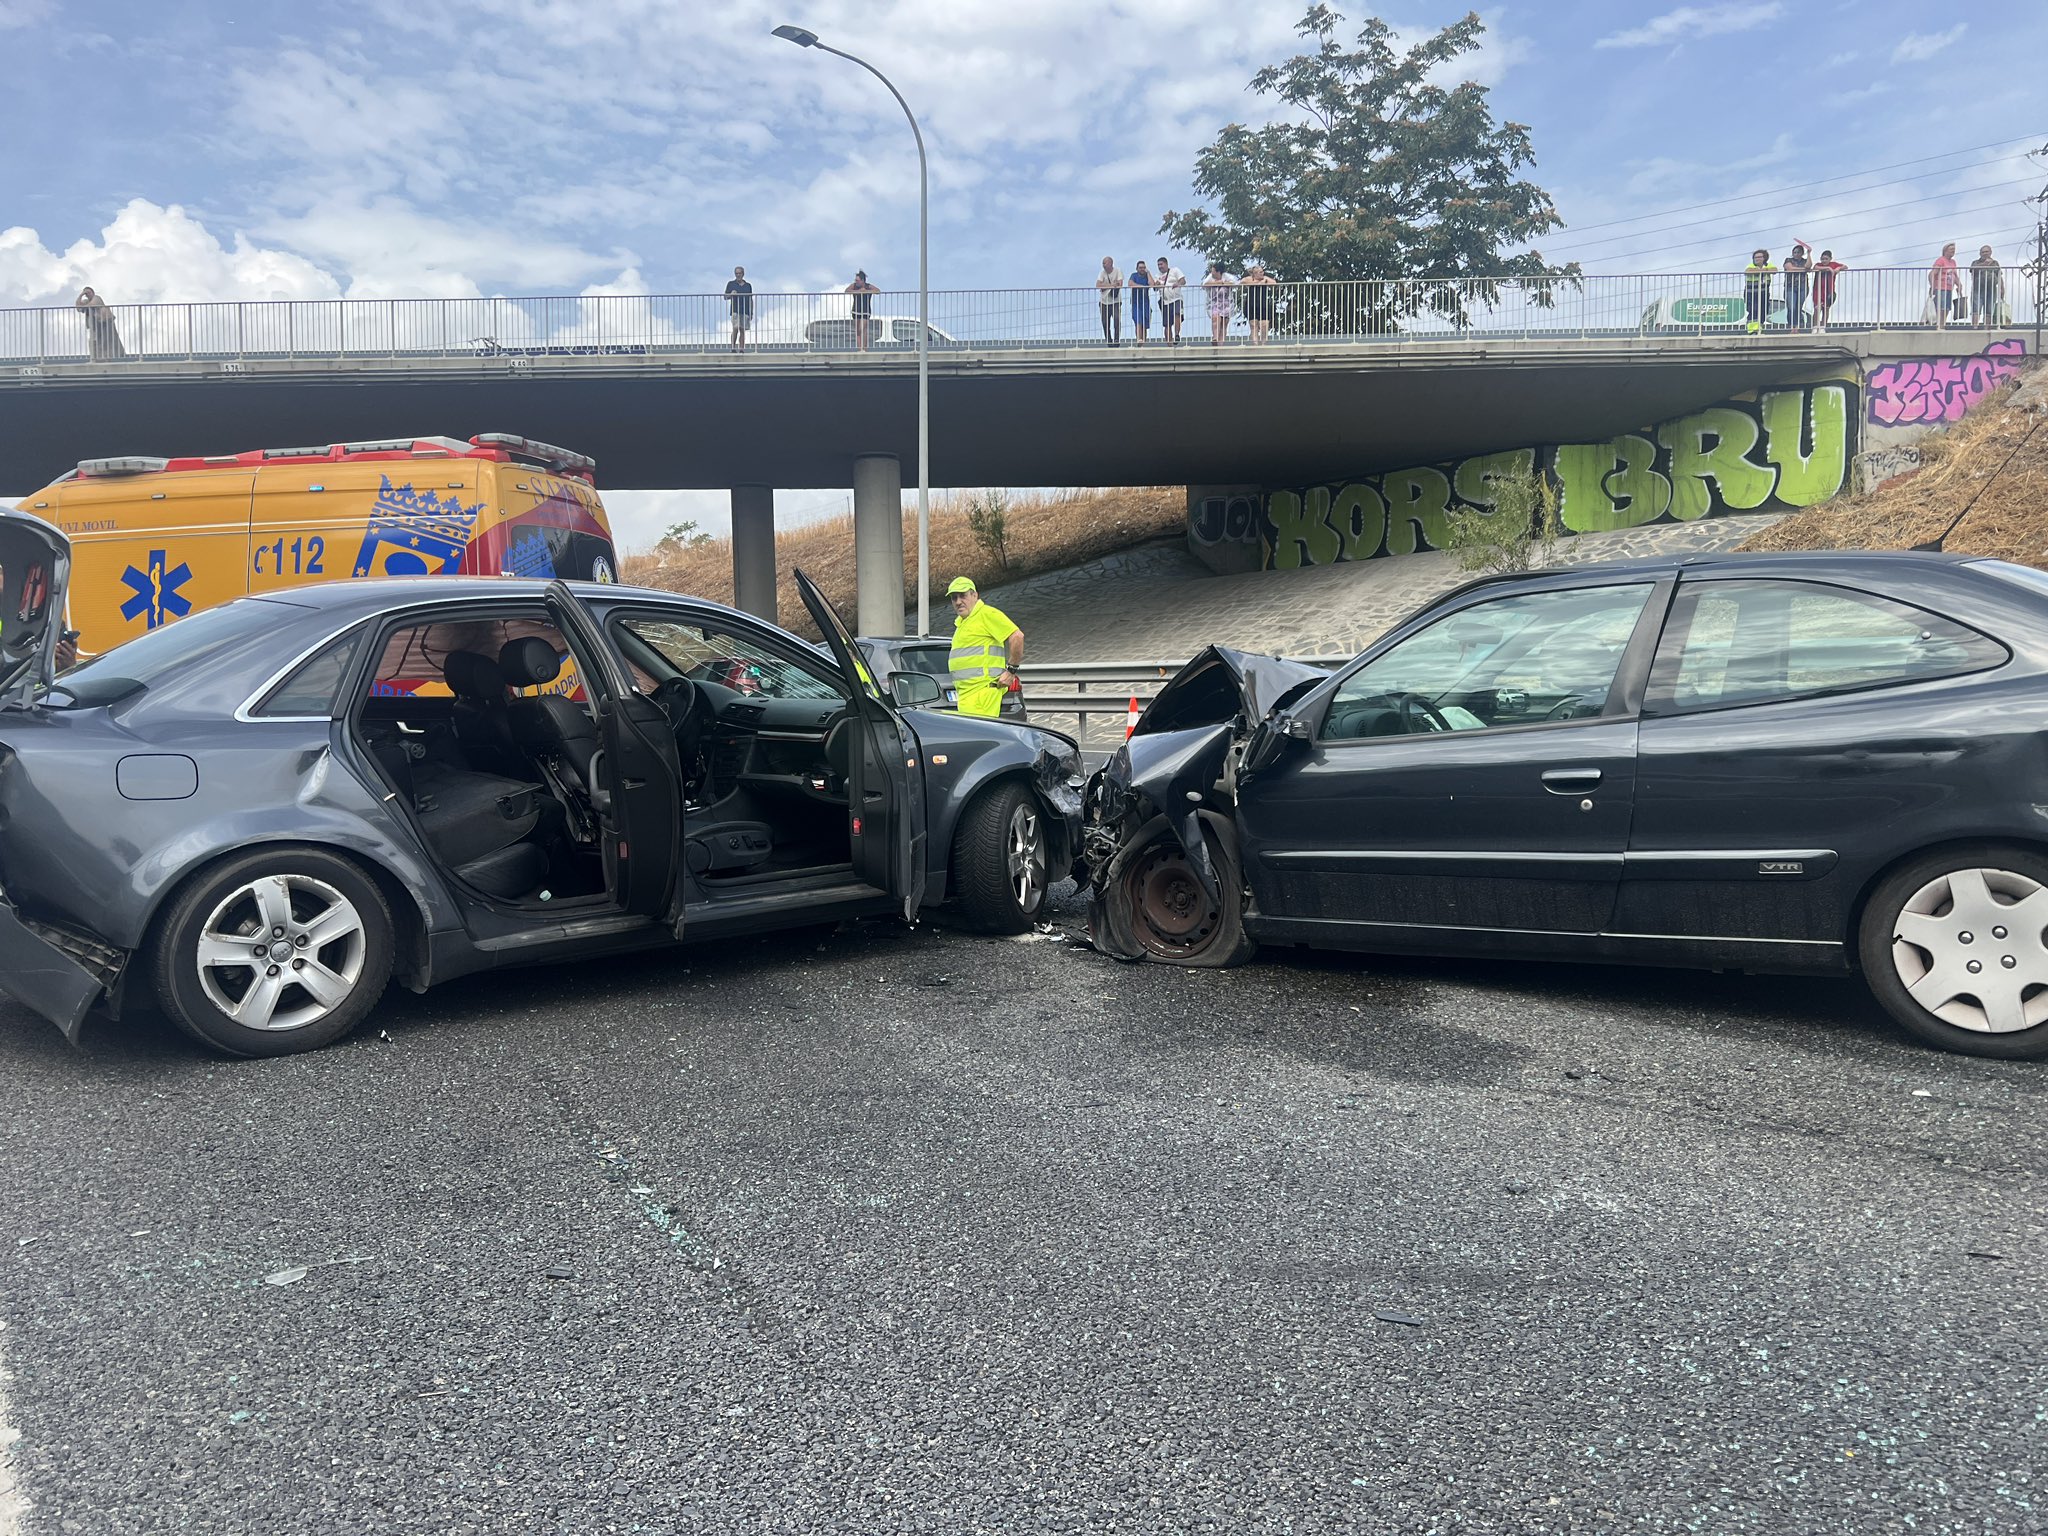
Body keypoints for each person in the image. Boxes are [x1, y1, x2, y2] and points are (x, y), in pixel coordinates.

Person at [945, 576, 1024, 719]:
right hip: (967, 697)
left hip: (982, 696)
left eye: (962, 596)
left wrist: (1011, 671)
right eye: (953, 598)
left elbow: (1017, 636)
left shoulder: (985, 614)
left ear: (975, 595)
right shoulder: (963, 623)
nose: (958, 602)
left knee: (982, 739)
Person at [74, 286, 125, 362]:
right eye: (86, 293)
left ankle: (112, 356)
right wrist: (81, 295)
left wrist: (84, 306)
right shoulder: (87, 301)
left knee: (108, 340)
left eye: (89, 292)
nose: (87, 294)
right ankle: (96, 358)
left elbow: (92, 305)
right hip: (96, 326)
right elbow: (78, 307)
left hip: (105, 322)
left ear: (93, 292)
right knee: (95, 341)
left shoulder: (97, 298)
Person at [1238, 259, 1277, 345]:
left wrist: (1264, 282)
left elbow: (1274, 283)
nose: (1262, 273)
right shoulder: (1249, 278)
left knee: (1264, 324)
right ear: (1254, 274)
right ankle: (1255, 343)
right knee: (1253, 324)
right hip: (1252, 304)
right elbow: (1242, 281)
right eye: (1259, 272)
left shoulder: (1265, 278)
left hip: (1263, 304)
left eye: (1262, 272)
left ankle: (1264, 342)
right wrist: (1257, 282)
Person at [1969, 246, 2004, 329]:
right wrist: (1983, 264)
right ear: (1980, 253)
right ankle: (1975, 327)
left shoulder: (1995, 263)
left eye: (1987, 252)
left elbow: (1999, 275)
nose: (1985, 253)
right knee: (1976, 307)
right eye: (1983, 252)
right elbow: (1972, 270)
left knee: (1989, 308)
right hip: (1978, 288)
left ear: (1990, 252)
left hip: (1991, 289)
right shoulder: (1976, 262)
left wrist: (2002, 287)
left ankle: (1987, 327)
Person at [1928, 243, 1961, 330]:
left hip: (1949, 287)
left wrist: (1959, 285)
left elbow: (1955, 274)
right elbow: (1932, 273)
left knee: (1947, 307)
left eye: (1954, 250)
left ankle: (1943, 323)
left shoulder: (1953, 262)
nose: (1953, 252)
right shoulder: (1941, 260)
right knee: (1941, 306)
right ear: (1945, 251)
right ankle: (1939, 324)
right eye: (1951, 250)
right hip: (1940, 287)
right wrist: (1932, 286)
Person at [1811, 250, 1846, 331]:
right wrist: (1828, 268)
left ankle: (1823, 327)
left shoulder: (1834, 264)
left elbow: (1845, 266)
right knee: (1817, 308)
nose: (1824, 261)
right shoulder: (1819, 265)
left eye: (1826, 259)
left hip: (1829, 291)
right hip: (1818, 290)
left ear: (1830, 259)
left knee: (1826, 309)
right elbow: (1815, 268)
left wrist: (1838, 268)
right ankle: (1815, 327)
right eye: (1822, 259)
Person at [1203, 261, 1236, 346]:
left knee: (1224, 323)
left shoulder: (1227, 276)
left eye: (1213, 271)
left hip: (1227, 303)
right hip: (1215, 303)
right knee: (1215, 318)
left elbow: (1234, 283)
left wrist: (1222, 283)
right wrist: (1216, 283)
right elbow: (1204, 284)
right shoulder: (1210, 277)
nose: (1212, 272)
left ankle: (1221, 343)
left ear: (1218, 272)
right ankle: (1215, 337)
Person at [1156, 255, 1186, 343]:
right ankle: (1169, 343)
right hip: (1164, 301)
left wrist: (1178, 283)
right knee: (1167, 323)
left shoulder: (1175, 270)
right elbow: (1154, 286)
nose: (1160, 266)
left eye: (1161, 264)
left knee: (1177, 314)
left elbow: (1183, 280)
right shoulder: (1157, 275)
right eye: (1158, 265)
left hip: (1176, 298)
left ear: (1166, 264)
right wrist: (1156, 284)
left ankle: (1176, 334)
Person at [1780, 243, 1811, 330]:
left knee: (1798, 306)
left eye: (1798, 252)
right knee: (1791, 306)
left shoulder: (1804, 261)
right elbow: (1790, 268)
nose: (1796, 254)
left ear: (1802, 253)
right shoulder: (1788, 260)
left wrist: (1809, 253)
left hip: (1802, 286)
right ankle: (1791, 324)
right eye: (1795, 252)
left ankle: (1798, 325)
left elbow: (1808, 266)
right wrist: (1804, 269)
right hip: (1790, 286)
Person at [1742, 250, 1774, 334]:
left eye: (1759, 257)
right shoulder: (1751, 265)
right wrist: (1762, 270)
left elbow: (1774, 270)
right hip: (1751, 293)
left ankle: (1759, 328)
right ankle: (1752, 330)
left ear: (1764, 258)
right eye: (1755, 257)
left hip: (1764, 293)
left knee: (1763, 310)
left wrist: (1763, 270)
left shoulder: (1767, 265)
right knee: (1753, 310)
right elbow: (1748, 271)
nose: (1757, 259)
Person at [723, 265, 754, 352]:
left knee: (742, 329)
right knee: (735, 328)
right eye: (736, 273)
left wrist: (751, 312)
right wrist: (731, 294)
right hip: (735, 310)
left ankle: (741, 348)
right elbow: (725, 297)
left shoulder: (748, 285)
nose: (738, 275)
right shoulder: (731, 284)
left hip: (745, 310)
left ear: (743, 274)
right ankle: (733, 347)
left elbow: (750, 299)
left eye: (739, 273)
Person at [846, 270, 879, 351]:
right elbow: (846, 291)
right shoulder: (854, 286)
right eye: (855, 280)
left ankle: (864, 348)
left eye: (857, 280)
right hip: (856, 310)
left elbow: (878, 291)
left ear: (862, 280)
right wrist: (858, 291)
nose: (856, 282)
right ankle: (859, 348)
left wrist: (866, 291)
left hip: (865, 310)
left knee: (863, 329)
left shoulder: (868, 286)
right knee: (857, 330)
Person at [1095, 256, 1123, 346]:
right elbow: (1098, 285)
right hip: (1104, 301)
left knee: (1117, 320)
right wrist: (1112, 285)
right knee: (1104, 322)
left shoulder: (1117, 271)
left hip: (1115, 301)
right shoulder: (1102, 273)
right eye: (1103, 263)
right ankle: (1109, 340)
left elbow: (1120, 283)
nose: (1103, 265)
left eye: (1105, 263)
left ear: (1111, 263)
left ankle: (1116, 340)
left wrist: (1105, 286)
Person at [1128, 259, 1153, 345]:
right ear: (1137, 268)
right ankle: (1139, 339)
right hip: (1136, 303)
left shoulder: (1147, 276)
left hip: (1145, 302)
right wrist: (1142, 287)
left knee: (1145, 323)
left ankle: (1143, 342)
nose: (1142, 269)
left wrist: (1148, 273)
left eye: (1144, 267)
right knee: (1138, 320)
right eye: (1140, 267)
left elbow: (1152, 284)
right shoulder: (1134, 275)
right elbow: (1130, 284)